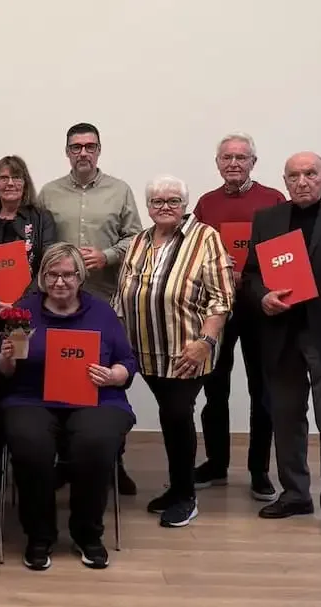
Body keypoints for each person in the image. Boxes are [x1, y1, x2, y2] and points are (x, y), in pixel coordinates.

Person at [242, 151, 321, 543]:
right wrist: (262, 296)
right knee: (286, 419)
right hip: (281, 335)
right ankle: (295, 494)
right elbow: (249, 275)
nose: (302, 181)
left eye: (310, 174)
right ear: (284, 180)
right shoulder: (268, 219)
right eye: (294, 175)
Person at [0, 243, 136, 570]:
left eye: (68, 275)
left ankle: (88, 534)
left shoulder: (101, 311)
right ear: (43, 277)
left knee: (96, 443)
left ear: (81, 276)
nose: (60, 282)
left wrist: (115, 374)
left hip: (97, 397)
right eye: (52, 274)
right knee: (31, 447)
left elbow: (127, 361)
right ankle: (39, 536)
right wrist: (6, 357)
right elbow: (5, 371)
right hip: (31, 397)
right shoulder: (23, 311)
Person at [114, 175, 235, 528]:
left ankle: (185, 496)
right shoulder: (138, 241)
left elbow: (222, 297)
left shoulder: (206, 238)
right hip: (144, 351)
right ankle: (177, 488)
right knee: (170, 415)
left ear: (184, 205)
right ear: (148, 207)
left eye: (172, 201)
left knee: (177, 415)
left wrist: (206, 342)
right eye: (157, 202)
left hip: (187, 351)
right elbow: (124, 292)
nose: (164, 207)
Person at [38, 122, 142, 495]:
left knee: (106, 379)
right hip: (59, 303)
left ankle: (114, 460)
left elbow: (136, 240)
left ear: (99, 150)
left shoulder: (120, 191)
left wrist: (108, 254)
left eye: (90, 146)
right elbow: (37, 242)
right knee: (63, 376)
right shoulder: (49, 193)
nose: (83, 153)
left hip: (105, 302)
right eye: (76, 147)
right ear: (67, 151)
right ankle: (67, 459)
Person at [192, 132, 286, 501]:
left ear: (253, 163)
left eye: (241, 157)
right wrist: (215, 268)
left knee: (262, 391)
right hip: (217, 307)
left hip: (261, 308)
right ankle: (216, 463)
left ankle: (259, 470)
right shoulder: (206, 203)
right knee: (215, 388)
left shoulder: (273, 200)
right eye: (227, 157)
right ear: (217, 163)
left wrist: (246, 270)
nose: (233, 163)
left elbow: (284, 254)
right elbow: (193, 252)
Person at [0, 155, 56, 448]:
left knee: (22, 377)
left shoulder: (41, 219)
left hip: (26, 320)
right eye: (3, 178)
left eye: (16, 177)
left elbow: (46, 264)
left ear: (25, 183)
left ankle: (25, 452)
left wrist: (19, 307)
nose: (10, 183)